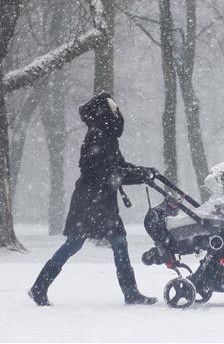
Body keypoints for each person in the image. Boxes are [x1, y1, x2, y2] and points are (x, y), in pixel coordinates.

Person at [28, 92, 158, 306]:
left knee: (117, 243)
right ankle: (39, 288)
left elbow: (120, 166)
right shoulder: (98, 136)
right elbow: (109, 172)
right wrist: (139, 175)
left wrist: (144, 172)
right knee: (75, 244)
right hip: (90, 202)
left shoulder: (106, 136)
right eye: (114, 108)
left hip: (102, 202)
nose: (117, 111)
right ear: (104, 111)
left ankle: (131, 293)